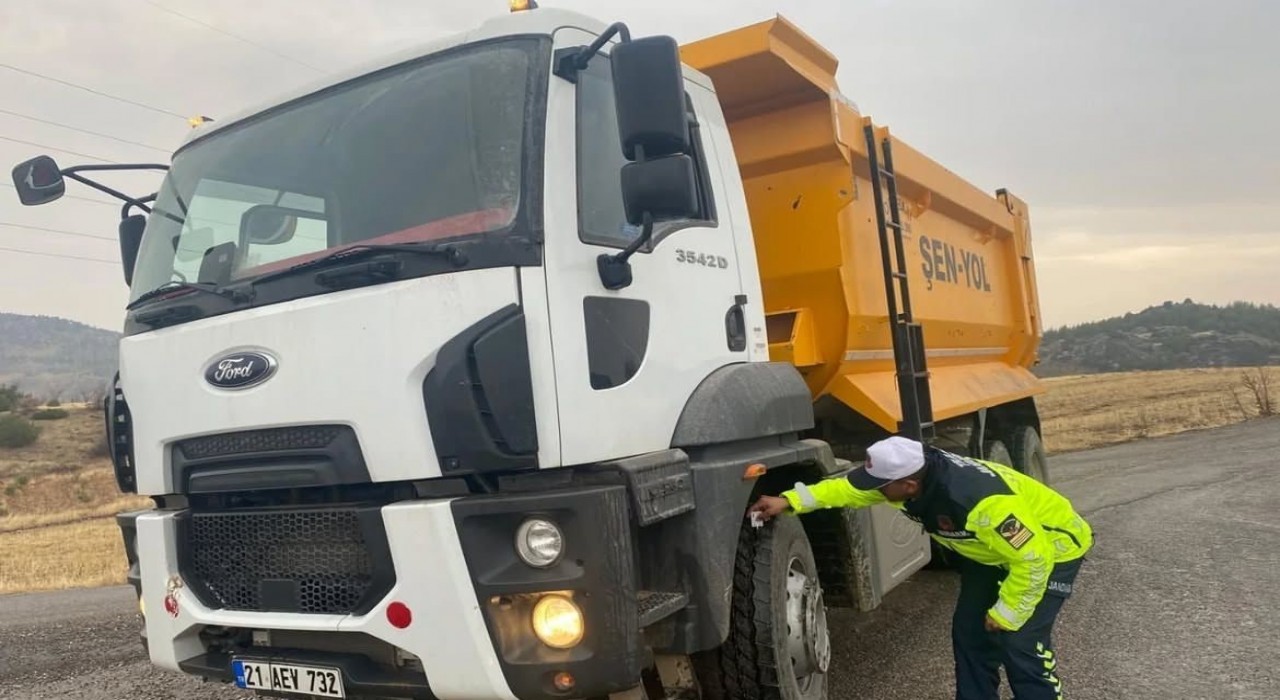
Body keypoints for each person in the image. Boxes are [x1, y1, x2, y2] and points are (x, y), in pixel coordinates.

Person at [748, 435, 1092, 700]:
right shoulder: (907, 479)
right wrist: (790, 500)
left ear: (909, 485)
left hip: (1052, 551)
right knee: (970, 635)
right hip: (990, 554)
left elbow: (1034, 559)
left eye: (880, 488)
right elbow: (847, 490)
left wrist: (1008, 612)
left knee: (1019, 643)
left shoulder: (980, 502)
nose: (875, 492)